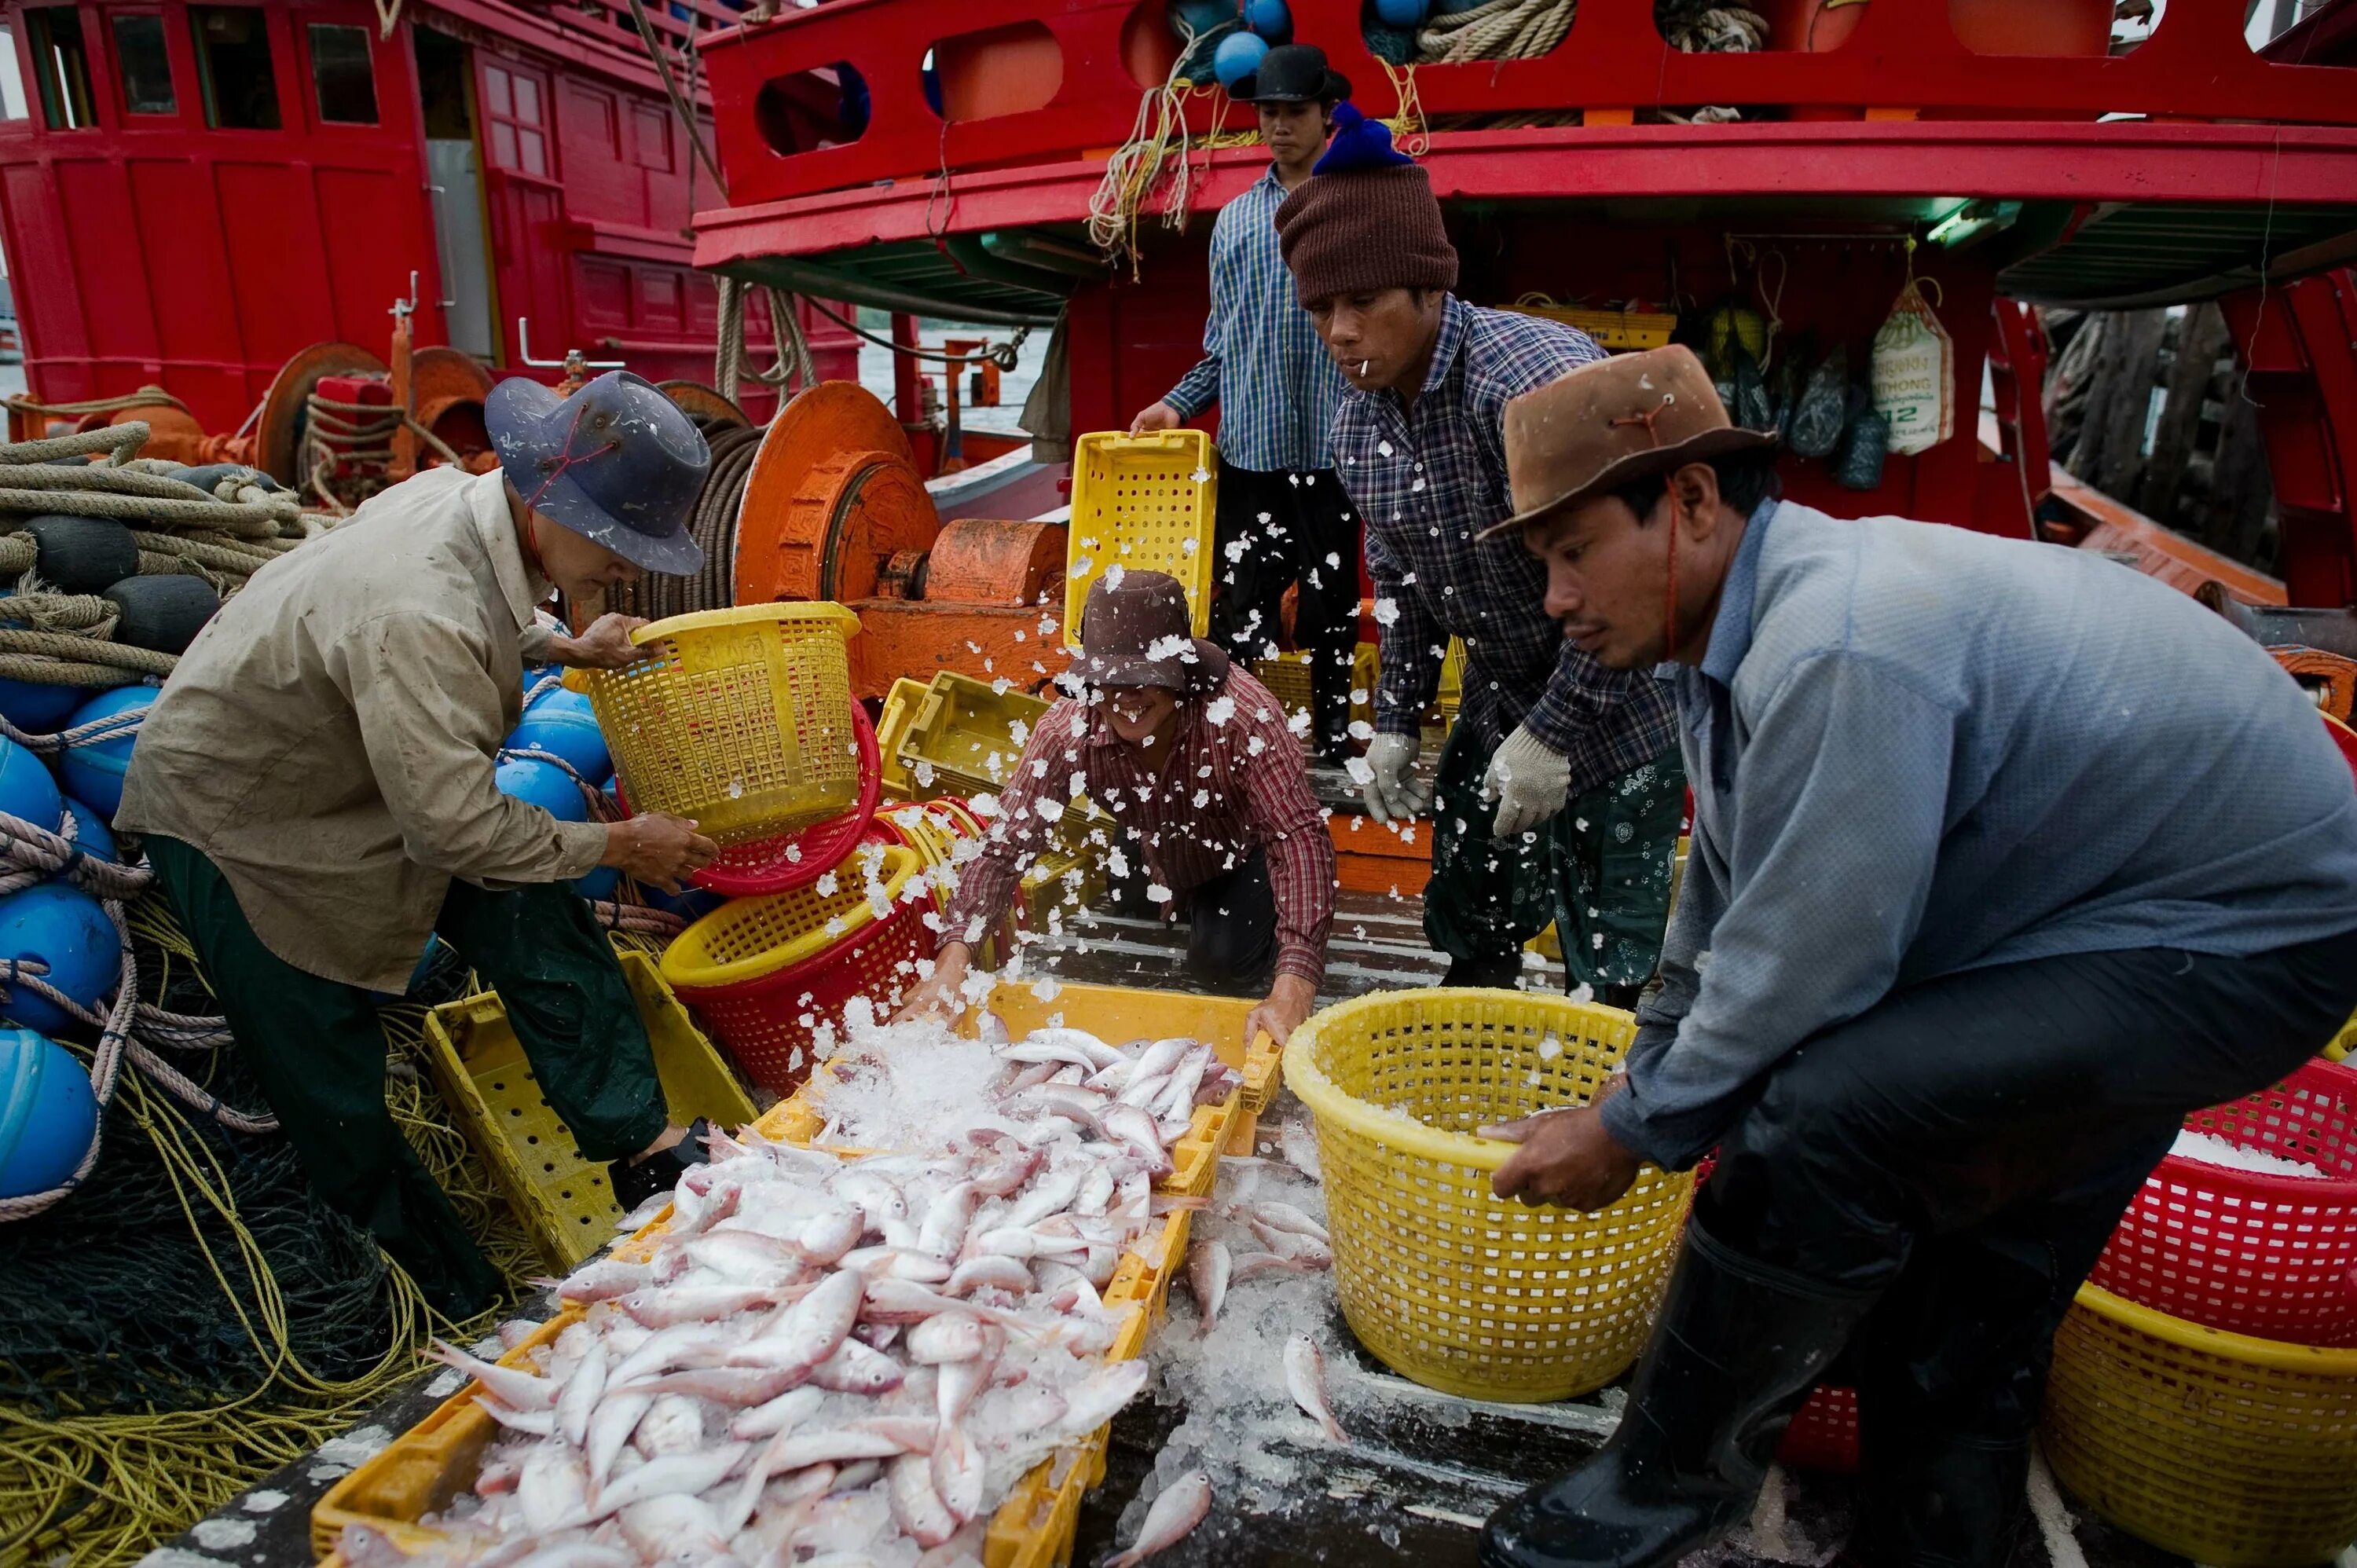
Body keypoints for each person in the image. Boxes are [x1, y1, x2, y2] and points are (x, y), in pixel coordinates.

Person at [1472, 344, 2357, 1568]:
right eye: (1543, 568)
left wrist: (1638, 1131)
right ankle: (1938, 1536)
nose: (1556, 599)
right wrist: (1649, 1079)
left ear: (1688, 505)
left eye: (1573, 556)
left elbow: (1806, 962)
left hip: (2242, 937)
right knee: (1969, 1259)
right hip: (2112, 927)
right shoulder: (1718, 643)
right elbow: (1722, 903)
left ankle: (1666, 1481)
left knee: (1827, 1109)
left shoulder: (1839, 640)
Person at [118, 371, 724, 1317]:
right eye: (617, 546)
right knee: (336, 1091)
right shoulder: (421, 609)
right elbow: (450, 822)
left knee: (534, 907)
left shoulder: (460, 504)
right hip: (241, 814)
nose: (630, 572)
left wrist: (564, 647)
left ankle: (642, 1149)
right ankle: (451, 1307)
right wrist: (621, 845)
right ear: (543, 501)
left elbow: (477, 621)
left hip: (365, 771)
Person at [1273, 105, 1683, 998]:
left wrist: (1554, 735)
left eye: (1363, 302)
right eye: (1319, 307)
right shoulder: (1357, 418)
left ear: (1429, 288)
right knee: (1472, 926)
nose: (1339, 331)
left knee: (1612, 976)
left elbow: (1639, 584)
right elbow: (1409, 581)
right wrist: (1394, 724)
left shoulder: (1529, 383)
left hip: (1622, 695)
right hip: (1502, 690)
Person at [896, 571, 1336, 1048]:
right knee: (1128, 896)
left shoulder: (1244, 717)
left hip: (1239, 848)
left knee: (1221, 964)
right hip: (1151, 835)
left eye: (1146, 678)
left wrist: (1295, 985)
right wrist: (951, 967)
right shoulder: (1065, 732)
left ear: (1180, 672)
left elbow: (1298, 837)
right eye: (1110, 680)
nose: (1127, 698)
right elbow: (1005, 850)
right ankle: (1169, 880)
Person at [1131, 43, 1358, 768]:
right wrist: (1175, 404)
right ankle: (1252, 747)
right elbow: (1221, 346)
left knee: (1334, 609)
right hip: (1250, 454)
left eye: (1295, 112)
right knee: (1246, 612)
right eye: (1269, 113)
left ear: (1327, 114)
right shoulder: (1232, 224)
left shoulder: (1357, 206)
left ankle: (1330, 741)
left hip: (1334, 453)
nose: (1280, 125)